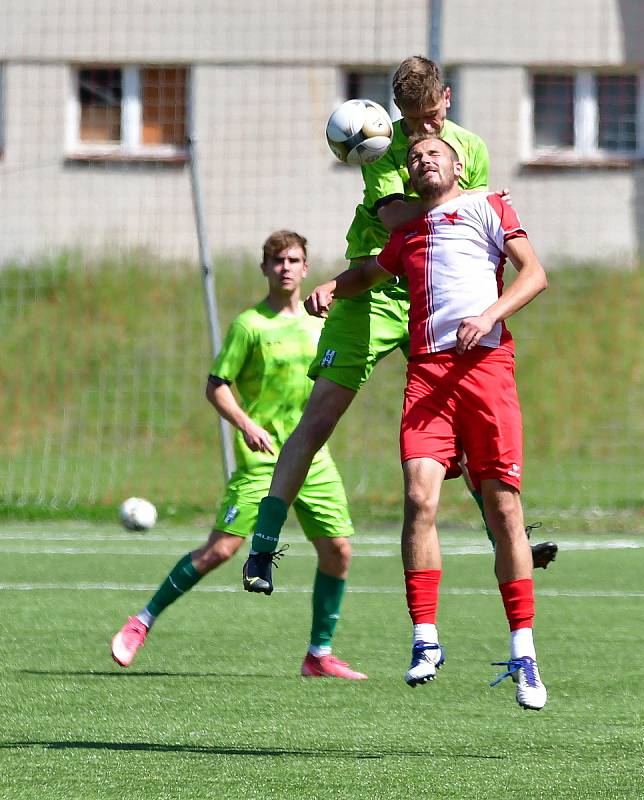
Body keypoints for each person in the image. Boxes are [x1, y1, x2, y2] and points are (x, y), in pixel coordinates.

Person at [242, 55, 557, 596]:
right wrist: (469, 204)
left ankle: (508, 538)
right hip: (372, 285)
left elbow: (469, 228)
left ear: (447, 100)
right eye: (412, 119)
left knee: (463, 434)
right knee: (318, 420)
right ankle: (263, 547)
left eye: (431, 118)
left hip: (435, 301)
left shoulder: (469, 147)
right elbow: (399, 219)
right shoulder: (381, 142)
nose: (422, 132)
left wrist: (468, 210)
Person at [305, 134, 549, 710]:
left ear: (457, 164)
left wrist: (488, 314)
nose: (422, 159)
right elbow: (367, 274)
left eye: (432, 153)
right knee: (419, 499)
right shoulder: (407, 231)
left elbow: (534, 274)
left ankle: (524, 652)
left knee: (504, 508)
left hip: (486, 369)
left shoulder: (489, 206)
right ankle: (426, 638)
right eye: (414, 157)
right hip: (428, 378)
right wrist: (330, 288)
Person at [110, 230, 367, 680]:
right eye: (276, 261)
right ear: (264, 268)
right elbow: (217, 385)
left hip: (313, 458)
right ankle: (140, 622)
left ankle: (318, 655)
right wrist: (247, 425)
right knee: (221, 550)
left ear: (307, 268)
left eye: (293, 260)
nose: (285, 268)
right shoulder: (250, 324)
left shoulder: (324, 322)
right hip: (263, 461)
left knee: (338, 552)